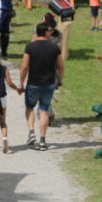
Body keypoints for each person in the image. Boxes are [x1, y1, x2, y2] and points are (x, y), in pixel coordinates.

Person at [19, 22, 64, 151]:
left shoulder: (30, 47)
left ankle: (31, 132)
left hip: (33, 83)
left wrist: (21, 82)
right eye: (49, 31)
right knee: (44, 110)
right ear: (45, 32)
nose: (50, 33)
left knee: (29, 108)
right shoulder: (55, 47)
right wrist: (59, 80)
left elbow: (24, 67)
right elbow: (60, 66)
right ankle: (42, 141)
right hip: (49, 83)